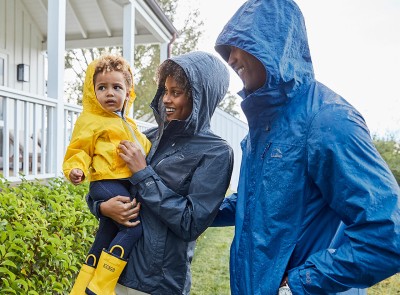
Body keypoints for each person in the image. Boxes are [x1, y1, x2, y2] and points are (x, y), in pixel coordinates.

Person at [212, 0, 400, 294]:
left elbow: (387, 234)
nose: (232, 58)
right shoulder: (261, 128)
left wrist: (298, 286)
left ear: (273, 43)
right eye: (228, 49)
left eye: (241, 45)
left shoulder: (328, 119)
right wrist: (190, 210)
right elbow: (253, 201)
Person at [86, 51, 234, 294]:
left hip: (157, 284)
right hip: (114, 270)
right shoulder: (147, 138)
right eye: (165, 91)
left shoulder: (216, 153)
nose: (166, 99)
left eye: (176, 93)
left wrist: (143, 173)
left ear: (201, 98)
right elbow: (106, 179)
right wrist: (101, 207)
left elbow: (190, 223)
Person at [63, 54, 151, 295]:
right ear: (93, 92)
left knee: (106, 233)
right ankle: (100, 287)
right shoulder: (90, 120)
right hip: (106, 183)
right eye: (102, 87)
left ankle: (81, 288)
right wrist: (76, 169)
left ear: (128, 92)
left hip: (122, 183)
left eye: (116, 87)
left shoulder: (129, 124)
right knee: (132, 227)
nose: (110, 93)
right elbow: (79, 148)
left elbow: (144, 146)